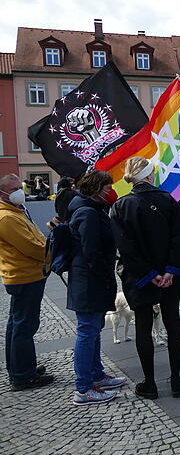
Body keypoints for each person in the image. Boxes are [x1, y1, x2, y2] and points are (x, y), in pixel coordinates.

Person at [110, 157, 180, 399]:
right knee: (173, 323)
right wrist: (169, 270)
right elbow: (179, 238)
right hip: (169, 276)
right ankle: (176, 380)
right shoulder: (167, 200)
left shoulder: (121, 206)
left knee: (143, 325)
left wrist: (148, 274)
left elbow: (124, 247)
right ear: (149, 175)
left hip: (140, 278)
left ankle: (150, 383)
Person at [67, 170, 126, 406]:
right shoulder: (88, 213)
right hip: (89, 280)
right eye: (106, 187)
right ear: (95, 188)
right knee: (87, 331)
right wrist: (105, 275)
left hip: (89, 279)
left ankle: (96, 375)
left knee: (93, 329)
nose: (109, 191)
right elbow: (92, 251)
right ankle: (83, 389)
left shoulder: (90, 208)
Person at [0, 173, 54, 391]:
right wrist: (55, 255)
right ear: (3, 193)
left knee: (17, 324)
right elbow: (32, 247)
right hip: (24, 275)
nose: (18, 192)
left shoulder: (15, 211)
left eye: (18, 186)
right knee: (24, 326)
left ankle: (19, 367)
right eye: (13, 189)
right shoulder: (7, 217)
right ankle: (23, 375)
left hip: (24, 274)